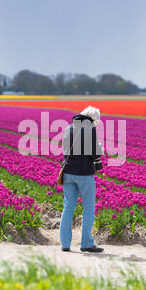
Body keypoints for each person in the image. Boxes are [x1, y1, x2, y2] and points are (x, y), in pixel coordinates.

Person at [60, 106, 104, 253]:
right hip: (84, 174)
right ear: (92, 119)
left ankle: (65, 244)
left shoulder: (68, 128)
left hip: (68, 173)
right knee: (89, 209)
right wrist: (99, 149)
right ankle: (86, 243)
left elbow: (65, 149)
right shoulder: (90, 129)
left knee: (68, 208)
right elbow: (94, 154)